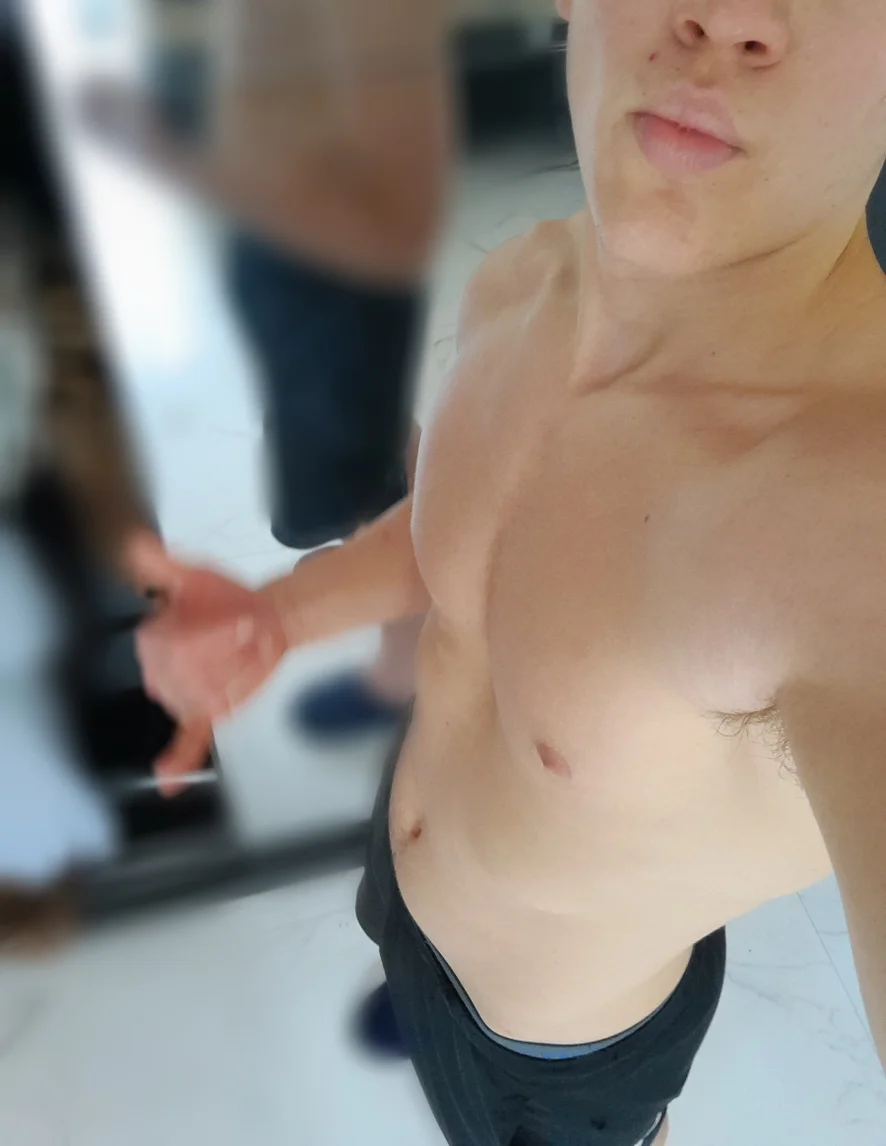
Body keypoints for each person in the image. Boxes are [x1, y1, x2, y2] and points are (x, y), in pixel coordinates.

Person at [128, 0, 886, 1142]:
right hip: (406, 874)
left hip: (564, 1055)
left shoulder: (848, 520)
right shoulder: (528, 276)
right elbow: (472, 531)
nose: (729, 16)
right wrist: (282, 616)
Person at [83, 0, 453, 737]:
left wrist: (162, 154)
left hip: (333, 277)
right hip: (304, 278)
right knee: (376, 452)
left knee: (370, 480)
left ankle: (405, 669)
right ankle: (409, 619)